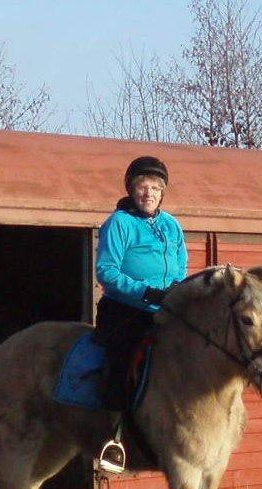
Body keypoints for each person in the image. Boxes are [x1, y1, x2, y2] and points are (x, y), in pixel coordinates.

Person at [93, 155, 188, 471]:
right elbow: (106, 271)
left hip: (167, 309)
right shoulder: (119, 223)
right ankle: (114, 437)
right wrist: (145, 292)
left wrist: (175, 292)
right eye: (142, 187)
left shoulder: (172, 226)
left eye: (155, 188)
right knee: (123, 358)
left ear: (163, 193)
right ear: (132, 191)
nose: (148, 193)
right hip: (126, 311)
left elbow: (181, 267)